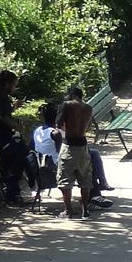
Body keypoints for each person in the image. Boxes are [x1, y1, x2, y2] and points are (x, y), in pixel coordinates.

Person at [32, 103, 113, 209]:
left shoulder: (38, 131)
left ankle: (97, 192)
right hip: (56, 165)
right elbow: (64, 151)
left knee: (89, 155)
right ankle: (97, 191)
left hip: (43, 164)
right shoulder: (55, 133)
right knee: (87, 159)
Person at [0, 70, 36, 203]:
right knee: (23, 153)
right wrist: (16, 127)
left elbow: (1, 113)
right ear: (7, 83)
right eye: (14, 85)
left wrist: (14, 107)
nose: (15, 88)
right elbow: (2, 117)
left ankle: (12, 192)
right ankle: (14, 186)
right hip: (2, 136)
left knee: (9, 162)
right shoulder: (1, 96)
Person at [55, 87, 94, 219]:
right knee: (85, 179)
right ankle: (85, 210)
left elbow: (58, 125)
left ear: (71, 95)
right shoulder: (88, 108)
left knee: (65, 180)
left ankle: (68, 211)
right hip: (83, 146)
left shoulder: (66, 105)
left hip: (69, 145)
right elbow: (87, 127)